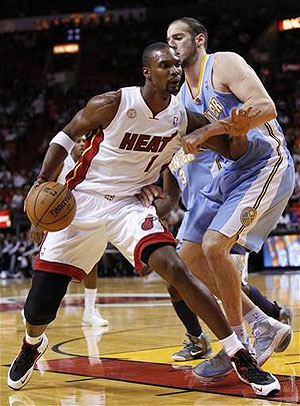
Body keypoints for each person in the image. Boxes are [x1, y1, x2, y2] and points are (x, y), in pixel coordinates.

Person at [7, 42, 280, 397]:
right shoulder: (112, 104)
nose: (175, 71)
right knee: (38, 308)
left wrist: (239, 129)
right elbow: (65, 136)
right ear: (147, 73)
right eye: (165, 66)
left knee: (177, 269)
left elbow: (231, 150)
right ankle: (32, 343)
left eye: (177, 66)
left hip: (127, 207)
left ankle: (239, 354)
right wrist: (43, 181)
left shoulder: (182, 117)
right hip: (81, 203)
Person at [166, 18, 295, 380]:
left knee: (213, 246)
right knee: (188, 257)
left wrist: (213, 127)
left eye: (178, 37)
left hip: (266, 163)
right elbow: (229, 148)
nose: (173, 44)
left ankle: (238, 346)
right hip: (233, 170)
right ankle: (261, 322)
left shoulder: (223, 63)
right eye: (167, 40)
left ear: (199, 39)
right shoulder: (181, 96)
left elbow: (266, 107)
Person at [140, 147, 292, 364]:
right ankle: (199, 340)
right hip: (195, 216)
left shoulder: (195, 132)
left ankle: (265, 322)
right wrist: (143, 216)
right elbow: (171, 199)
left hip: (221, 208)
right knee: (177, 281)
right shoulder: (169, 153)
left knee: (230, 284)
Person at [29, 136, 108, 327]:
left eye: (86, 140)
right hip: (59, 223)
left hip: (87, 220)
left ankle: (89, 312)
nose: (83, 143)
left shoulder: (95, 163)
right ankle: (33, 306)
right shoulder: (62, 163)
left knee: (93, 265)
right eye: (79, 140)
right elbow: (42, 191)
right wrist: (36, 223)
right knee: (46, 267)